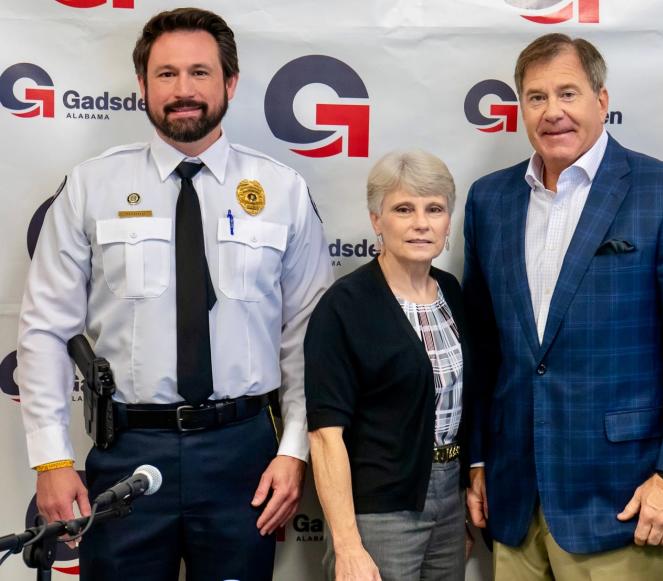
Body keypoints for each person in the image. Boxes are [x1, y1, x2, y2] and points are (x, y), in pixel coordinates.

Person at [16, 8, 333, 580]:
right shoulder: (91, 186)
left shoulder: (284, 192)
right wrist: (51, 458)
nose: (183, 90)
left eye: (199, 73)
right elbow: (44, 329)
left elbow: (308, 338)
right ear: (142, 85)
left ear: (229, 83)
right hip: (127, 454)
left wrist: (293, 451)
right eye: (165, 75)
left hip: (243, 456)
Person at [461, 33, 663, 580]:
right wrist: (480, 457)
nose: (552, 112)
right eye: (536, 97)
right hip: (515, 499)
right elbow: (484, 346)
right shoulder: (490, 199)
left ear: (602, 101)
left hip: (626, 501)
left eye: (568, 93)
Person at [305, 150, 474, 581]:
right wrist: (347, 545)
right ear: (377, 220)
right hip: (379, 512)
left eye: (434, 209)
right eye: (404, 209)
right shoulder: (345, 306)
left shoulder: (451, 293)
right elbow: (326, 437)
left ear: (448, 221)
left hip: (449, 501)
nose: (421, 222)